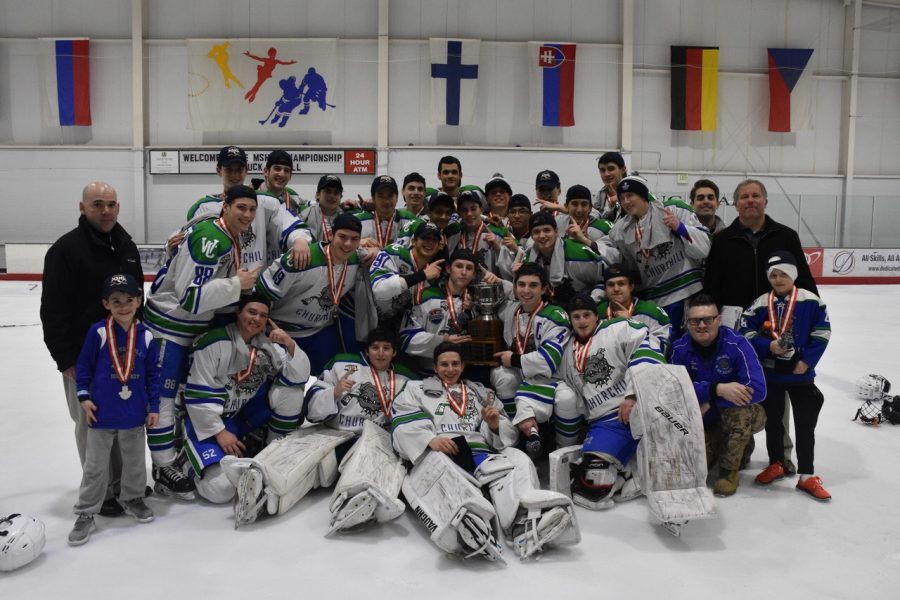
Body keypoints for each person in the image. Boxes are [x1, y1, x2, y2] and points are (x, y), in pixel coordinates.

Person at [391, 342, 579, 560]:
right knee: (443, 472)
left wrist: (494, 424)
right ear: (435, 367)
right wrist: (429, 439)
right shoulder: (417, 389)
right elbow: (401, 418)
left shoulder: (481, 392)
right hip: (443, 454)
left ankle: (523, 521)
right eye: (444, 364)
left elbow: (508, 434)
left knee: (518, 458)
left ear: (463, 366)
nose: (449, 369)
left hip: (481, 453)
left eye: (455, 364)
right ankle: (468, 523)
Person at [227, 327, 418, 529]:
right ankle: (262, 487)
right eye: (375, 347)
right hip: (335, 431)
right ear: (367, 350)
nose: (380, 353)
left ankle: (356, 502)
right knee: (309, 460)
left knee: (368, 465)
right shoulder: (343, 363)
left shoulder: (407, 379)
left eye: (386, 348)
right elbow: (312, 402)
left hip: (374, 438)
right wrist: (334, 392)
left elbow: (410, 413)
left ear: (394, 352)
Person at [144, 184, 261, 499]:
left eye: (252, 209)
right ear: (226, 205)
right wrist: (238, 284)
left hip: (184, 328)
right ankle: (163, 466)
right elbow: (191, 298)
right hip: (169, 329)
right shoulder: (213, 239)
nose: (247, 215)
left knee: (179, 399)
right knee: (163, 401)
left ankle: (176, 456)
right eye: (241, 208)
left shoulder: (221, 232)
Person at [703, 179, 820, 475]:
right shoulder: (723, 240)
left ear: (765, 201)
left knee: (779, 392)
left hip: (780, 328)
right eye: (744, 197)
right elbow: (713, 286)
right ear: (736, 203)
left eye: (756, 196)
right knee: (739, 385)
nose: (750, 201)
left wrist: (807, 324)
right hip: (737, 330)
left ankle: (781, 455)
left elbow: (804, 283)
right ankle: (738, 449)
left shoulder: (786, 236)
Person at [41, 181, 144, 518]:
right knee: (91, 425)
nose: (106, 210)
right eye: (98, 204)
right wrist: (66, 360)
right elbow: (52, 311)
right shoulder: (65, 250)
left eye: (112, 204)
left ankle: (124, 485)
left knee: (122, 419)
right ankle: (100, 492)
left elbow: (136, 300)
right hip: (85, 359)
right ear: (82, 207)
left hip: (124, 355)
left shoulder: (125, 245)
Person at [182, 295, 309, 503]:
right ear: (238, 313)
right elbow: (198, 391)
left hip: (239, 417)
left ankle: (274, 452)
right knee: (221, 491)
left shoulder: (268, 347)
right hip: (205, 421)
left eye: (263, 316)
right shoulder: (213, 342)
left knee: (291, 392)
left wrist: (289, 343)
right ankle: (187, 461)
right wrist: (220, 432)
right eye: (251, 312)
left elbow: (299, 377)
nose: (257, 319)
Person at [67, 274, 160, 545]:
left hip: (133, 414)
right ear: (106, 303)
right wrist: (84, 397)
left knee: (133, 462)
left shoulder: (146, 336)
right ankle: (86, 512)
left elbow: (154, 374)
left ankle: (132, 498)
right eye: (116, 301)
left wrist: (153, 406)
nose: (123, 306)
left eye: (129, 300)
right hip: (101, 415)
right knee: (95, 467)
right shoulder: (98, 332)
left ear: (139, 301)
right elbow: (83, 368)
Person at [555, 293, 666, 510]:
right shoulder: (567, 349)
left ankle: (636, 467)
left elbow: (649, 349)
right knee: (592, 485)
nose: (582, 321)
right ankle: (630, 470)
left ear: (596, 317)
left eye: (587, 315)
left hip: (632, 410)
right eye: (576, 317)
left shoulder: (617, 328)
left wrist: (632, 395)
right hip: (602, 423)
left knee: (593, 484)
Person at [740, 252, 832, 501]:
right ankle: (776, 463)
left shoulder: (810, 301)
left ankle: (807, 475)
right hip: (771, 374)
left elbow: (822, 332)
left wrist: (807, 361)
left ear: (793, 275)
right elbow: (744, 331)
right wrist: (766, 346)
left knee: (805, 425)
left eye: (783, 274)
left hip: (800, 375)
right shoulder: (760, 302)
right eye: (773, 275)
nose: (778, 279)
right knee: (773, 423)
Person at [670, 294, 766, 497]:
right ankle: (731, 447)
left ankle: (729, 471)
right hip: (701, 418)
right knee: (695, 467)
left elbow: (758, 388)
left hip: (731, 412)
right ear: (688, 323)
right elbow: (675, 391)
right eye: (695, 321)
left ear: (719, 320)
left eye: (708, 319)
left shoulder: (737, 344)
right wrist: (716, 389)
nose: (702, 325)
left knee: (739, 408)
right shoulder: (679, 349)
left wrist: (711, 399)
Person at [256, 213, 368, 375]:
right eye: (342, 237)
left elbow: (379, 255)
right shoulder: (298, 259)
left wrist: (376, 250)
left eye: (354, 239)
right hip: (284, 331)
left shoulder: (357, 260)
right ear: (330, 235)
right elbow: (261, 293)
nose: (348, 244)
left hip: (319, 331)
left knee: (328, 378)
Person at [607, 175, 710, 340]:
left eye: (631, 195)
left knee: (684, 342)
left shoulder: (674, 209)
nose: (626, 201)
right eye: (622, 198)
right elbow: (630, 266)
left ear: (643, 195)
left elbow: (705, 246)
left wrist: (680, 227)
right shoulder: (620, 230)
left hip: (684, 293)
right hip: (654, 298)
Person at [490, 264, 578, 454]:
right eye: (521, 285)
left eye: (533, 285)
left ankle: (565, 452)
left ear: (544, 289)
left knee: (567, 399)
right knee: (503, 377)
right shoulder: (510, 310)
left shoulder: (555, 315)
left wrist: (514, 359)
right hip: (523, 372)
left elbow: (549, 360)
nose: (526, 291)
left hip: (554, 377)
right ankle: (515, 439)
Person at [185, 146, 311, 269]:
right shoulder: (204, 207)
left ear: (247, 170)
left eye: (239, 170)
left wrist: (300, 239)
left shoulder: (267, 201)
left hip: (255, 284)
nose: (234, 175)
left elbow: (289, 224)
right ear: (219, 170)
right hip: (223, 284)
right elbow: (190, 240)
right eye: (229, 169)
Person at [521, 211, 612, 305]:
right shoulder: (529, 261)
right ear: (531, 236)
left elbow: (605, 279)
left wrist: (588, 303)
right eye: (536, 232)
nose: (542, 236)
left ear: (556, 232)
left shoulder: (579, 254)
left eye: (547, 230)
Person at [369, 223, 446, 322]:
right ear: (413, 241)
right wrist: (422, 275)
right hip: (369, 318)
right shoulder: (395, 252)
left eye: (434, 240)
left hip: (401, 323)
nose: (430, 242)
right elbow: (379, 290)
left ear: (439, 246)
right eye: (425, 238)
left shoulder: (435, 271)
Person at [595, 263, 671, 354]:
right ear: (605, 289)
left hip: (642, 364)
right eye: (611, 285)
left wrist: (631, 324)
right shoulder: (597, 313)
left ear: (631, 287)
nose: (616, 289)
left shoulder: (651, 311)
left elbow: (664, 347)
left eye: (621, 284)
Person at [455, 189, 513, 276]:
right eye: (464, 210)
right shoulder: (455, 235)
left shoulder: (497, 232)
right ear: (459, 213)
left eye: (473, 209)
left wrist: (497, 247)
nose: (469, 214)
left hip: (490, 287)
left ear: (481, 209)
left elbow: (512, 269)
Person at [356, 175, 416, 251]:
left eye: (390, 196)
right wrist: (357, 243)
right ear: (373, 198)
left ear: (397, 198)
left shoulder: (410, 221)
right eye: (381, 196)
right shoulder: (359, 221)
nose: (386, 201)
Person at [257, 149, 305, 215]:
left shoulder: (294, 198)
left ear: (290, 176)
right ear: (266, 171)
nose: (282, 174)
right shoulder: (252, 196)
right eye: (277, 169)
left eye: (286, 170)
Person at [300, 174, 346, 242]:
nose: (332, 196)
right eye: (328, 191)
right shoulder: (305, 216)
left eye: (336, 193)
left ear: (341, 197)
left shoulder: (345, 217)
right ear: (317, 195)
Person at [593, 152, 628, 221]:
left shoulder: (636, 191)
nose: (606, 174)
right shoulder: (601, 194)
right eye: (602, 170)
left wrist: (621, 202)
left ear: (623, 170)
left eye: (611, 169)